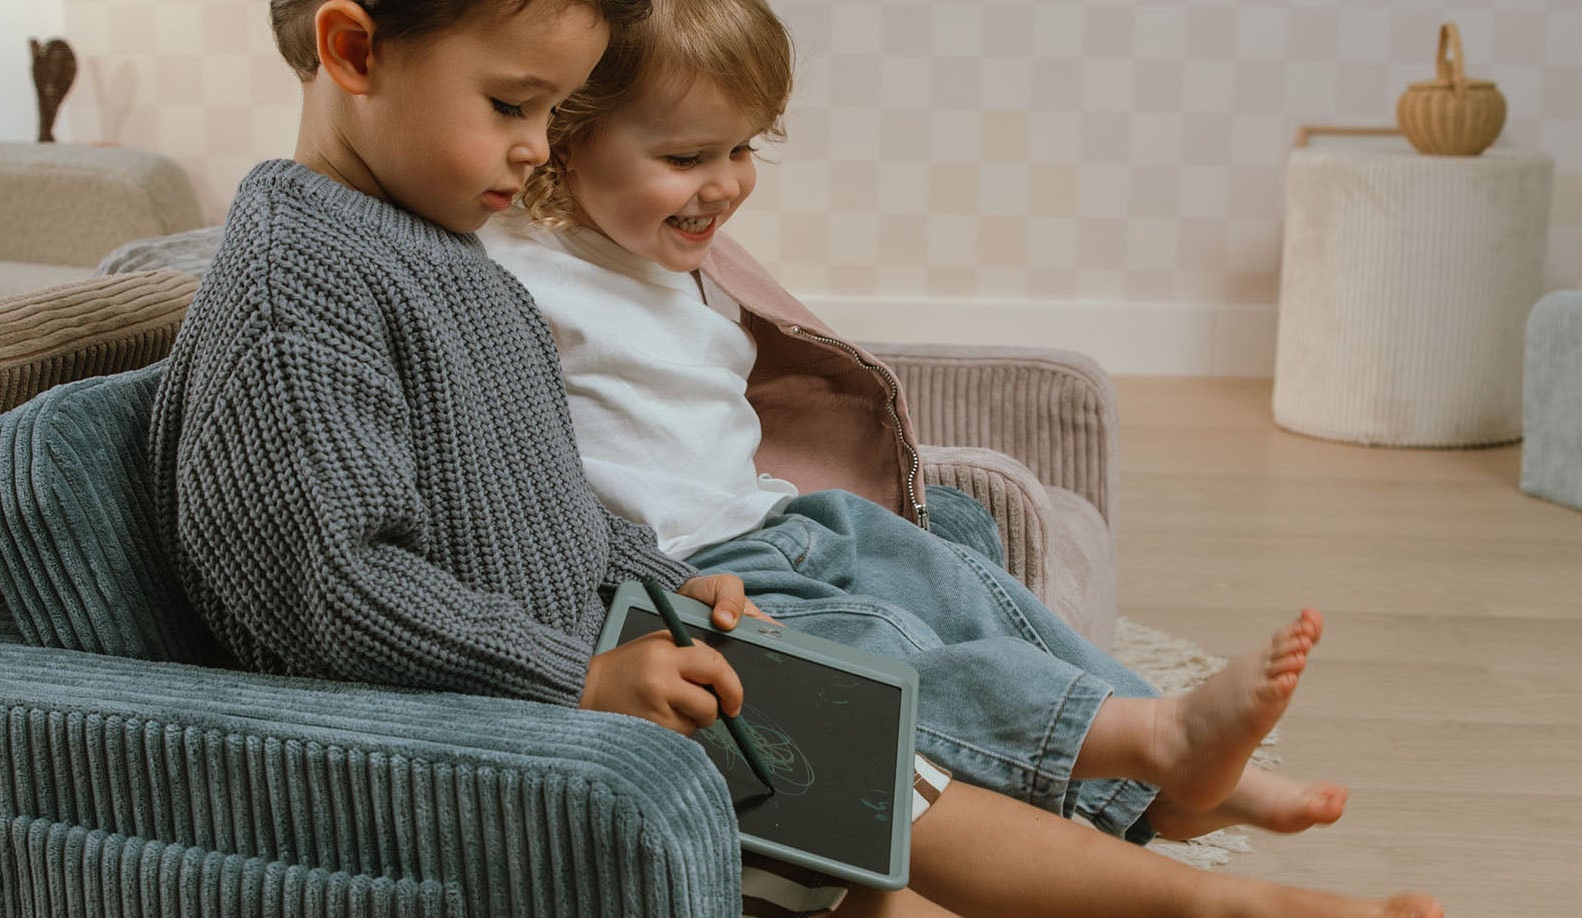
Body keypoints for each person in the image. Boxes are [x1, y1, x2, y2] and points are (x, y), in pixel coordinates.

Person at [151, 0, 1439, 918]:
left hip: (573, 665)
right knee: (813, 865)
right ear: (352, 49)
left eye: (550, 112)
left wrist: (657, 582)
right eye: (511, 106)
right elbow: (333, 587)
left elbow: (539, 498)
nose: (538, 148)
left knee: (871, 763)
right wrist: (575, 677)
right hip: (470, 722)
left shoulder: (439, 246)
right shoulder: (296, 284)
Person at [481, 0, 1351, 849]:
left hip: (780, 520)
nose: (725, 184)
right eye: (685, 157)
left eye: (742, 149)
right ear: (563, 136)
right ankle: (1152, 750)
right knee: (882, 651)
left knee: (961, 578)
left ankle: (1167, 772)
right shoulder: (513, 261)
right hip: (689, 577)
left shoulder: (670, 250)